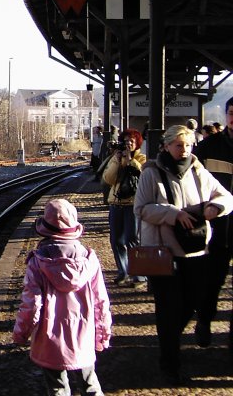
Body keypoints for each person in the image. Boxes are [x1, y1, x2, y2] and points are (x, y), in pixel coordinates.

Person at [134, 124, 233, 385]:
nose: (184, 150)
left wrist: (216, 206)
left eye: (188, 145)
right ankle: (170, 362)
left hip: (196, 251)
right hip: (163, 252)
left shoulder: (199, 171)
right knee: (168, 308)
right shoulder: (151, 173)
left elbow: (227, 197)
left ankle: (170, 340)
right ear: (166, 146)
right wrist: (173, 214)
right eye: (179, 145)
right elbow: (141, 208)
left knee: (192, 301)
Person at [12, 198, 112, 395]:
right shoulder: (89, 260)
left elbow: (31, 305)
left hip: (49, 340)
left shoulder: (38, 262)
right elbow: (101, 301)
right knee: (90, 382)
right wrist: (102, 335)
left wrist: (21, 334)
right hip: (83, 335)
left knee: (57, 388)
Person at [194, 97, 233, 348]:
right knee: (212, 281)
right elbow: (193, 179)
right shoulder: (209, 147)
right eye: (231, 112)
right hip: (217, 227)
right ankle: (204, 322)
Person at [102, 128, 146, 286]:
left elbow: (142, 175)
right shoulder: (116, 157)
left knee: (132, 239)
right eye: (126, 141)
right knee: (116, 240)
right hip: (116, 203)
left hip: (133, 204)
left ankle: (139, 275)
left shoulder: (142, 158)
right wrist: (117, 160)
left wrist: (130, 161)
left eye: (131, 141)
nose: (128, 144)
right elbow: (108, 178)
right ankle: (123, 271)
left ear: (137, 143)